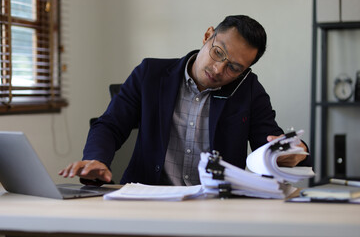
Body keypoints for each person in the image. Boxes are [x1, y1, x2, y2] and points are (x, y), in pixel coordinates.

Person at [59, 15, 310, 186]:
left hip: (216, 208)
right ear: (207, 35)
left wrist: (291, 152)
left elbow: (269, 144)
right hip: (148, 200)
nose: (218, 69)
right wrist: (98, 158)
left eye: (234, 67)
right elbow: (110, 124)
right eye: (217, 52)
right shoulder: (151, 74)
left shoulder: (249, 90)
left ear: (244, 71)